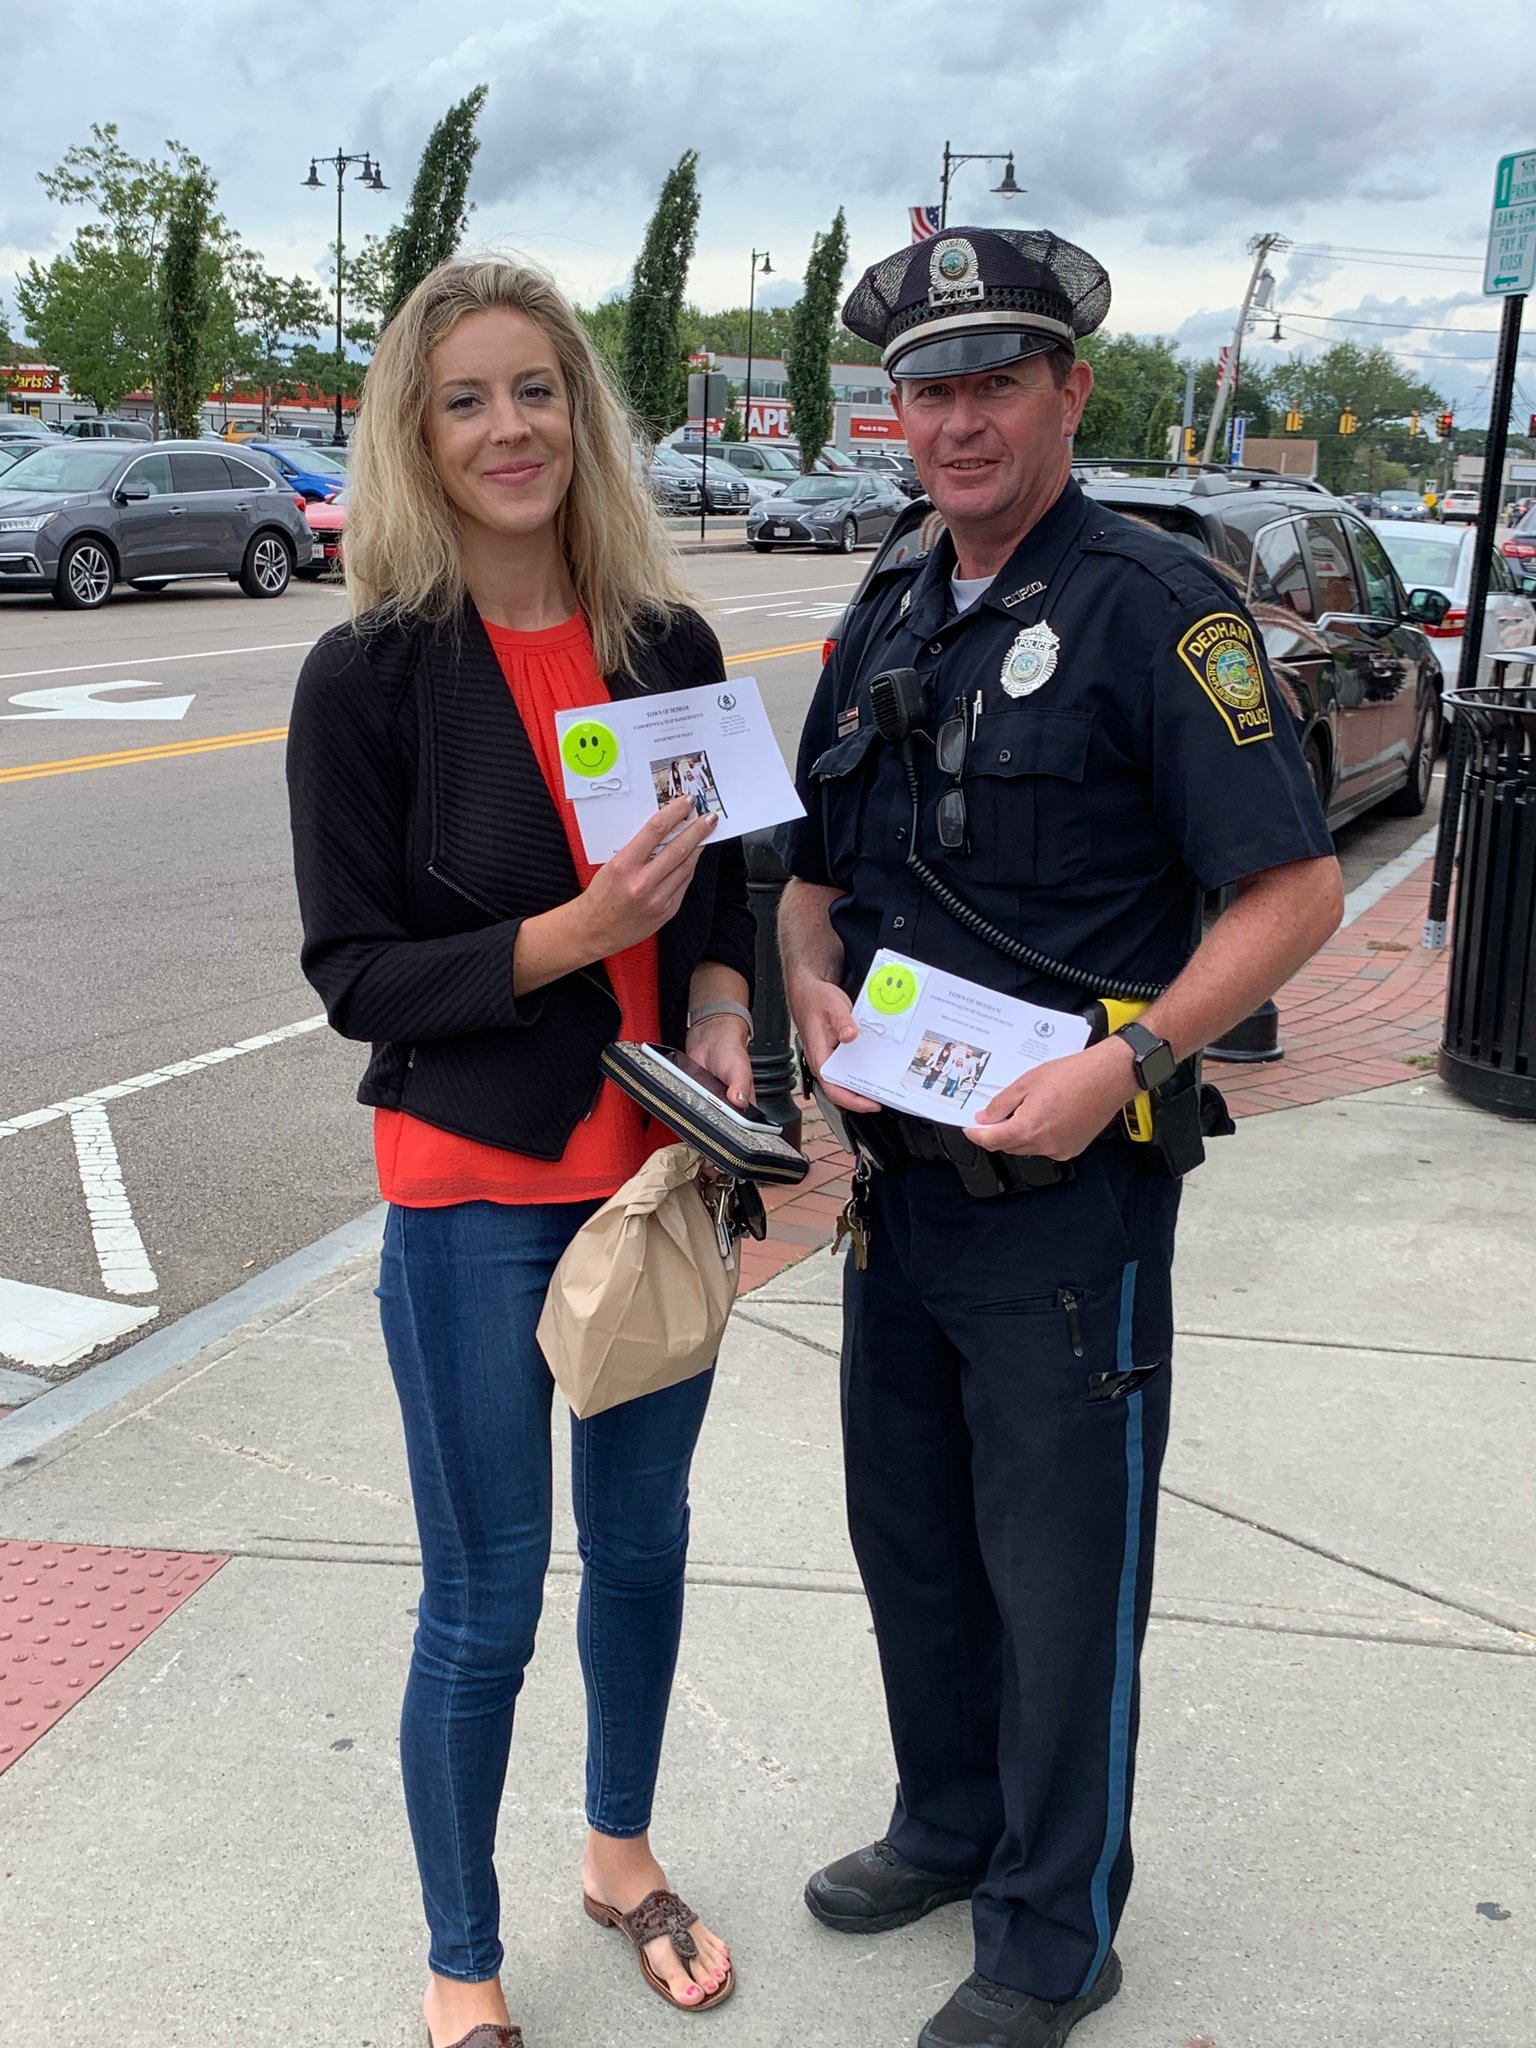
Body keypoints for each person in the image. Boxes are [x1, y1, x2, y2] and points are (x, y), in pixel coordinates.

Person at [778, 226, 1343, 2048]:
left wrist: (1138, 1059)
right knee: (917, 1547)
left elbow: (1294, 890)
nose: (955, 422)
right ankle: (949, 1827)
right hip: (899, 1199)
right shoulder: (888, 602)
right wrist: (805, 995)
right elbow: (808, 873)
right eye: (926, 390)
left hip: (1070, 1205)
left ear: (1067, 391)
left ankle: (1053, 1927)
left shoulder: (1155, 604)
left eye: (991, 384)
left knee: (1063, 1570)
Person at [286, 257, 755, 2048]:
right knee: (485, 1601)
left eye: (539, 391)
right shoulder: (371, 681)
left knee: (643, 1551)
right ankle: (461, 1958)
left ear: (586, 413)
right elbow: (355, 976)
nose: (510, 429)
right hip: (474, 1190)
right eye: (468, 398)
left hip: (653, 1179)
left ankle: (620, 1856)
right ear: (418, 430)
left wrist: (716, 1006)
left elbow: (725, 889)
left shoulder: (666, 646)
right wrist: (571, 933)